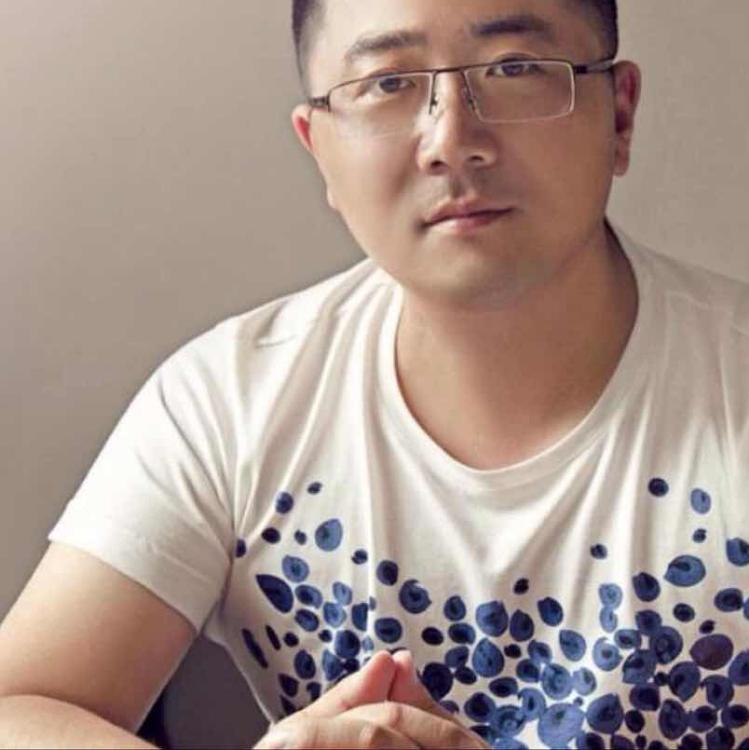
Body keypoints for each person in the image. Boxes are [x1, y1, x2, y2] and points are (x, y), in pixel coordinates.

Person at [0, 0, 747, 748]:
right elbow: (17, 706)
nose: (451, 141)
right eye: (387, 84)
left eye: (515, 68)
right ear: (318, 148)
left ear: (619, 115)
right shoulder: (232, 402)